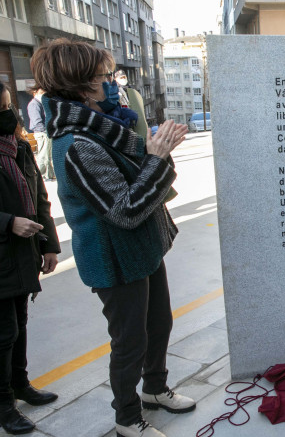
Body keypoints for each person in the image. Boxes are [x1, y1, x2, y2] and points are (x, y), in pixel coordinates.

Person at [31, 38, 195, 437]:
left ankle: (155, 389)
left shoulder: (102, 127)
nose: (112, 83)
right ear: (82, 85)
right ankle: (126, 417)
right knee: (129, 342)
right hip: (115, 259)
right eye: (105, 76)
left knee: (159, 324)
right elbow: (124, 210)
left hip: (142, 250)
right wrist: (156, 156)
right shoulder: (76, 143)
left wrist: (154, 152)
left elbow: (137, 180)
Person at [0, 81, 61, 435]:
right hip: (3, 251)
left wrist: (49, 244)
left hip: (21, 253)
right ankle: (4, 404)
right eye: (1, 109)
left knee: (20, 324)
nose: (8, 115)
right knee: (3, 332)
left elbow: (39, 198)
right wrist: (8, 223)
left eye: (9, 106)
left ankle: (21, 384)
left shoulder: (18, 148)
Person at [26, 89, 55, 181]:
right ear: (35, 93)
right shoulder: (34, 104)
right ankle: (42, 175)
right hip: (42, 133)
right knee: (44, 155)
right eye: (41, 93)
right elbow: (37, 121)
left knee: (48, 155)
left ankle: (49, 174)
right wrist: (44, 130)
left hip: (45, 132)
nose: (43, 95)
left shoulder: (40, 103)